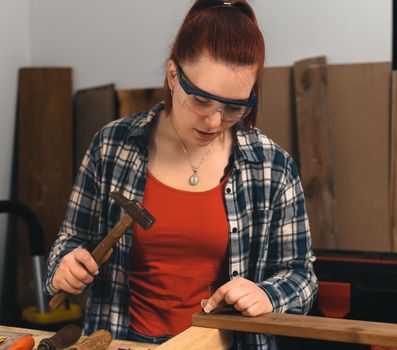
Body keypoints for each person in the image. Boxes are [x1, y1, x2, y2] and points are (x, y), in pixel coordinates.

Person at [44, 0, 318, 348]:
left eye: (234, 107)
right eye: (202, 101)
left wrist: (268, 294)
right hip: (123, 342)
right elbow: (69, 240)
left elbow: (302, 278)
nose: (215, 122)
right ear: (174, 76)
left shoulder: (271, 166)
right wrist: (65, 266)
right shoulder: (112, 146)